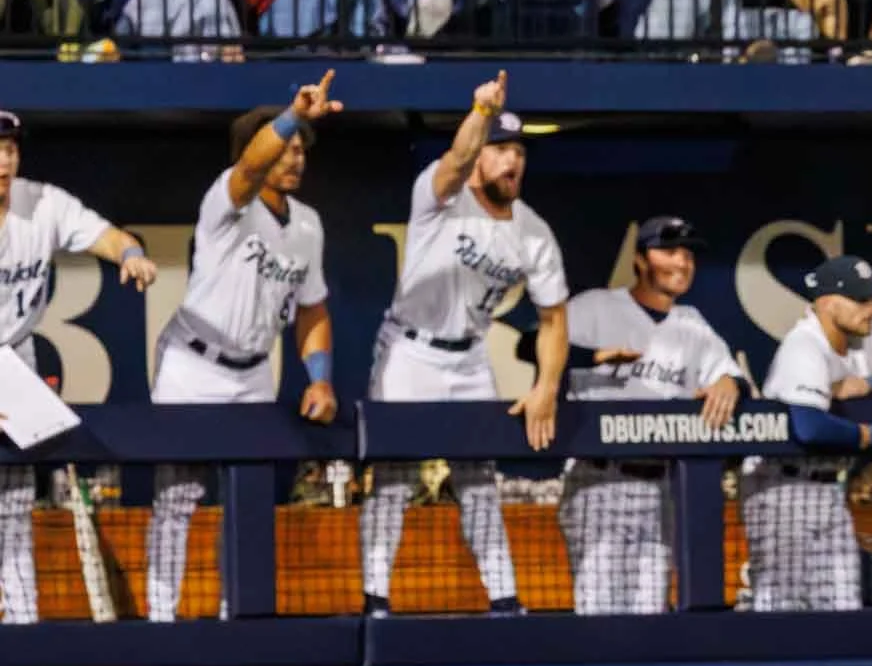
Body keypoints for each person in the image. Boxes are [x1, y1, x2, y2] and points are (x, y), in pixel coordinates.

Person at [359, 72, 569, 618]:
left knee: (479, 482)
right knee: (393, 480)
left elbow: (553, 318)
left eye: (518, 150)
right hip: (410, 351)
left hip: (470, 357)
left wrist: (545, 387)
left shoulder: (535, 231)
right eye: (500, 148)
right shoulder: (442, 197)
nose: (512, 160)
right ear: (481, 153)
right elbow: (454, 161)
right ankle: (375, 599)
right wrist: (480, 112)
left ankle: (503, 598)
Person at [146, 76, 339, 622]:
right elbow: (253, 167)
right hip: (194, 363)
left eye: (303, 148)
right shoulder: (227, 200)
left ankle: (240, 618)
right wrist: (288, 117)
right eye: (287, 145)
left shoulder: (308, 225)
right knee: (178, 498)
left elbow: (312, 308)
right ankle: (163, 620)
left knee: (245, 501)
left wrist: (319, 377)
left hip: (255, 371)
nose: (296, 155)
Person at [0, 110, 155, 625]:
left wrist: (130, 252)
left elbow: (107, 236)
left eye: (10, 149)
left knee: (14, 502)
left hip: (14, 363)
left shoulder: (42, 202)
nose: (3, 160)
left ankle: (21, 625)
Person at [555, 215, 743, 615]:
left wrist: (729, 381)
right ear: (640, 260)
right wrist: (594, 357)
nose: (683, 262)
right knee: (600, 619)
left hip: (663, 489)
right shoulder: (596, 307)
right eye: (670, 251)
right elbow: (528, 347)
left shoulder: (693, 324)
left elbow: (731, 377)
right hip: (600, 482)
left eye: (689, 254)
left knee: (653, 615)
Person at [746, 254, 872, 611]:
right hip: (780, 489)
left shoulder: (867, 334)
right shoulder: (804, 346)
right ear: (828, 304)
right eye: (861, 300)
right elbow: (810, 427)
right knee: (782, 613)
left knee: (843, 609)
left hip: (829, 488)